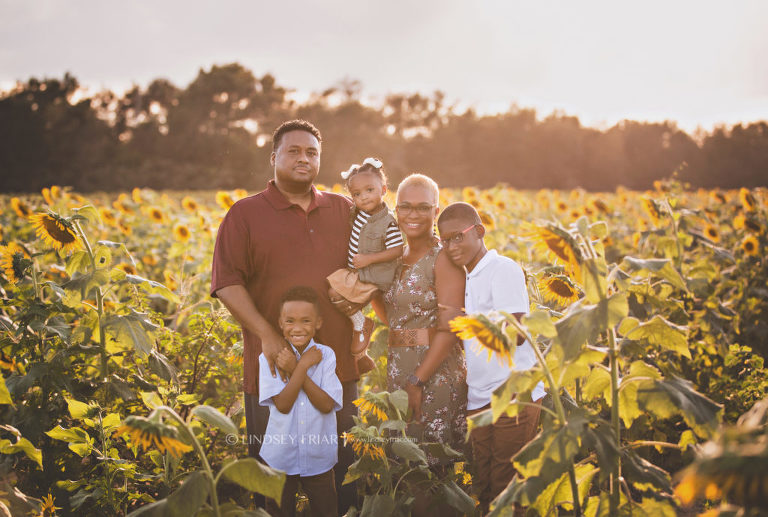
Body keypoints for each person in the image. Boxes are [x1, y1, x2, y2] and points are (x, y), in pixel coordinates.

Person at [210, 119, 358, 512]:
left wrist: (363, 311)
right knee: (275, 484)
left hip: (337, 370)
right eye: (294, 151)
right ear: (273, 157)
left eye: (312, 152)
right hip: (272, 370)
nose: (304, 158)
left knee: (341, 480)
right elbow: (227, 283)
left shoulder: (343, 210)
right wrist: (268, 336)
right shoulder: (244, 214)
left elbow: (370, 272)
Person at [437, 202, 546, 515]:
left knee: (506, 485)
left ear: (479, 231)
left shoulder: (502, 268)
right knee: (483, 482)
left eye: (458, 236)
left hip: (512, 392)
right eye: (445, 240)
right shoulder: (467, 276)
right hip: (481, 397)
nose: (451, 245)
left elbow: (517, 332)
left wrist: (465, 324)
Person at [375, 173, 467, 455]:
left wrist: (418, 380)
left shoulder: (443, 260)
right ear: (396, 209)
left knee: (430, 468)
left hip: (433, 374)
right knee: (403, 466)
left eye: (423, 207)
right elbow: (393, 318)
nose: (413, 214)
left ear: (436, 211)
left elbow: (450, 329)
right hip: (399, 369)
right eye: (405, 206)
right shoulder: (395, 256)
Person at [259, 286, 343, 517]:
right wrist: (303, 365)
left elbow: (326, 405)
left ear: (318, 323)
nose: (297, 328)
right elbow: (283, 405)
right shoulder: (269, 357)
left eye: (306, 321)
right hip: (280, 455)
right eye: (290, 321)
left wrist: (296, 368)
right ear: (280, 322)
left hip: (319, 456)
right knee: (278, 512)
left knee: (326, 510)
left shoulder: (326, 355)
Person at [327, 157, 404, 375]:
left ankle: (362, 325)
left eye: (370, 190)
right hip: (359, 271)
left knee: (335, 292)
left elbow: (397, 250)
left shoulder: (387, 221)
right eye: (357, 194)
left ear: (384, 189)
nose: (364, 197)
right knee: (337, 298)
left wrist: (369, 259)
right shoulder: (360, 213)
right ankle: (361, 353)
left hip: (374, 275)